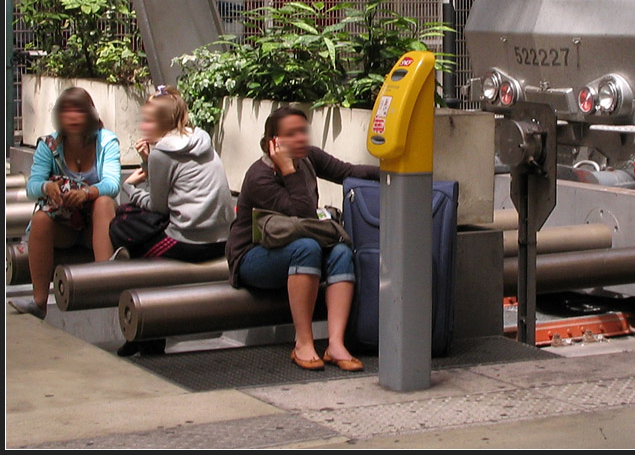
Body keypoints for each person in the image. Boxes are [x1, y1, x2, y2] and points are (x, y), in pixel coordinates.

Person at [225, 106, 379, 371]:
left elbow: (347, 172)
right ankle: (303, 343)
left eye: (303, 132)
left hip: (295, 249)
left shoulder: (308, 158)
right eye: (291, 134)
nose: (300, 139)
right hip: (252, 257)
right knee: (307, 247)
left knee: (341, 251)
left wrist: (392, 172)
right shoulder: (260, 176)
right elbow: (304, 215)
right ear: (272, 142)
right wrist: (288, 170)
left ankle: (336, 344)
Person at [11, 87, 121, 319]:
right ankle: (39, 302)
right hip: (64, 225)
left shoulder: (107, 141)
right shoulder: (48, 146)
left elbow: (113, 183)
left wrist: (88, 192)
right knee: (40, 218)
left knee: (103, 202)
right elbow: (32, 187)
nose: (73, 118)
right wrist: (47, 188)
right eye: (67, 112)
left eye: (79, 112)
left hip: (96, 224)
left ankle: (104, 287)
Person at [118, 86, 234, 261]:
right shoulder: (200, 141)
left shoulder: (162, 153)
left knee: (120, 224)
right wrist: (147, 162)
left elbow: (158, 207)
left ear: (165, 123)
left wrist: (129, 187)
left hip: (191, 241)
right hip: (225, 238)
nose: (142, 126)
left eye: (148, 121)